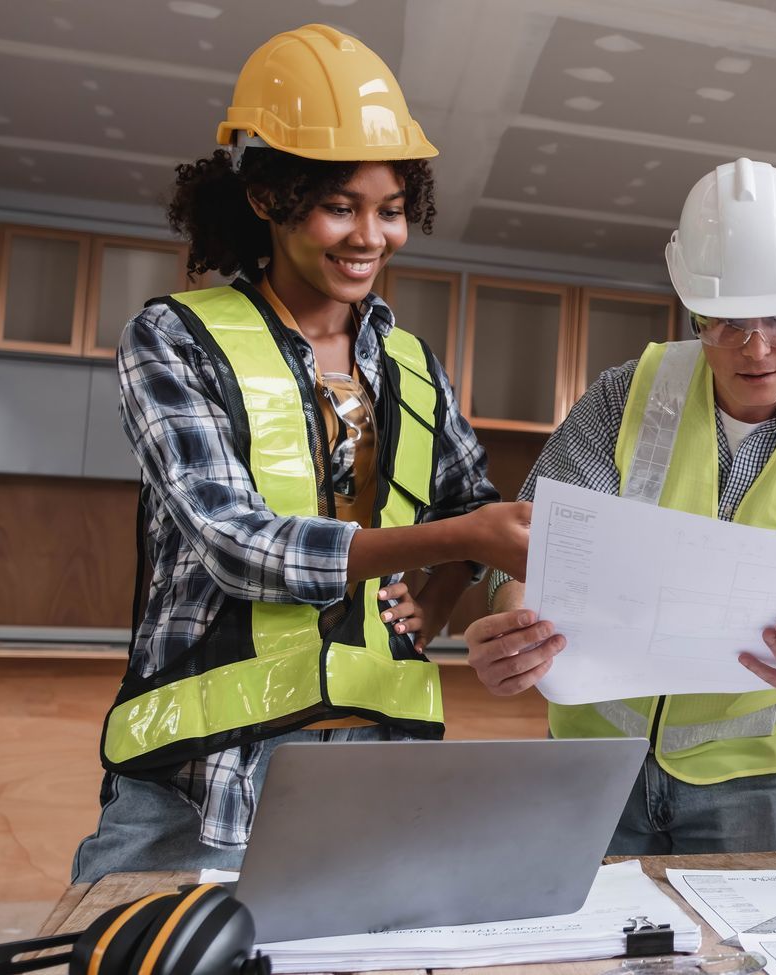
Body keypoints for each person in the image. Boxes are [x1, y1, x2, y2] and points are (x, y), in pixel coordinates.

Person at [72, 24, 527, 883]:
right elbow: (236, 542)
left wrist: (436, 605)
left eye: (390, 209)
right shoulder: (175, 338)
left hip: (375, 768)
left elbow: (474, 506)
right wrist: (447, 543)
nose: (370, 236)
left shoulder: (410, 365)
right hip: (201, 780)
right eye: (340, 205)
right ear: (267, 199)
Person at [466, 157, 776, 854]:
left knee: (739, 963)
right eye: (725, 322)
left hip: (753, 781)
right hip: (592, 760)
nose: (756, 346)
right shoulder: (625, 395)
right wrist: (510, 622)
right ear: (694, 308)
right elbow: (533, 546)